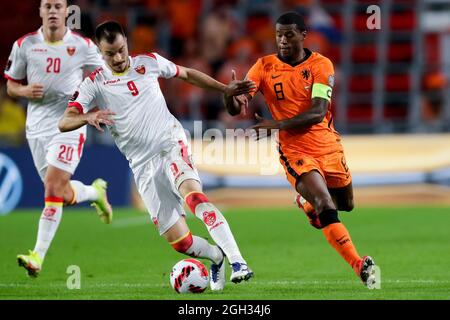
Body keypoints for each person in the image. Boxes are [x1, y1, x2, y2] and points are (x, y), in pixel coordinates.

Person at [58, 21, 255, 291]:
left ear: (127, 42)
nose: (117, 58)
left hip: (170, 143)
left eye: (120, 50)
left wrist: (224, 89)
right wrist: (87, 115)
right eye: (109, 54)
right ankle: (217, 256)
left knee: (194, 197)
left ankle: (238, 261)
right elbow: (64, 122)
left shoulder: (148, 62)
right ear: (99, 52)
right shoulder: (94, 84)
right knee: (179, 241)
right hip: (142, 165)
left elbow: (186, 74)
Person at [223, 12, 377, 288]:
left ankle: (306, 204)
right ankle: (359, 264)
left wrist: (277, 123)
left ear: (304, 36)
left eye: (289, 35)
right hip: (295, 149)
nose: (282, 40)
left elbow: (318, 112)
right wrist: (229, 95)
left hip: (327, 144)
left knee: (346, 205)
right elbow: (239, 106)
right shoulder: (263, 66)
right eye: (278, 35)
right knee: (326, 204)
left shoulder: (321, 65)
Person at [4, 0, 112, 278]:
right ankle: (94, 193)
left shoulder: (83, 46)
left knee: (52, 188)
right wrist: (26, 90)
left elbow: (105, 77)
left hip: (70, 125)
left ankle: (37, 256)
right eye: (47, 6)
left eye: (58, 6)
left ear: (67, 12)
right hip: (36, 128)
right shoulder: (25, 45)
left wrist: (95, 106)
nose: (53, 11)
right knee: (60, 194)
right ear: (41, 12)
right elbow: (11, 86)